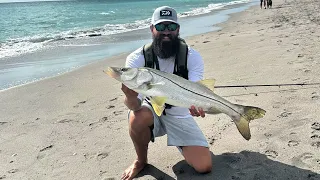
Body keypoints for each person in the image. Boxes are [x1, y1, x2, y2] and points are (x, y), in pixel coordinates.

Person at [121, 6, 212, 180]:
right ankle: (141, 161)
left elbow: (196, 92)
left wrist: (199, 107)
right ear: (152, 29)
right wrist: (130, 97)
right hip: (151, 110)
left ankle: (185, 144)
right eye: (161, 27)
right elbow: (135, 106)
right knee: (137, 116)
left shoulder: (192, 56)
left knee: (204, 167)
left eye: (171, 27)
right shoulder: (136, 59)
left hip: (181, 113)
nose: (166, 32)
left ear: (178, 29)